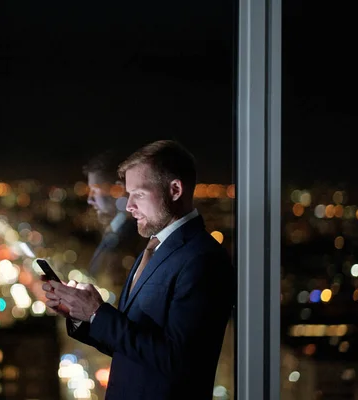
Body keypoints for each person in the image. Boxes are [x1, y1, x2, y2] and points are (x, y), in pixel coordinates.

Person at [42, 140, 234, 399]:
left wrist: (98, 312)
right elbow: (131, 346)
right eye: (128, 194)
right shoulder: (154, 248)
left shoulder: (203, 259)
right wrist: (81, 314)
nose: (129, 206)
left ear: (175, 189)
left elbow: (178, 361)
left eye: (139, 194)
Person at [82, 150, 144, 286]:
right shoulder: (114, 230)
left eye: (95, 190)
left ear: (118, 189)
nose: (90, 200)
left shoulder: (137, 239)